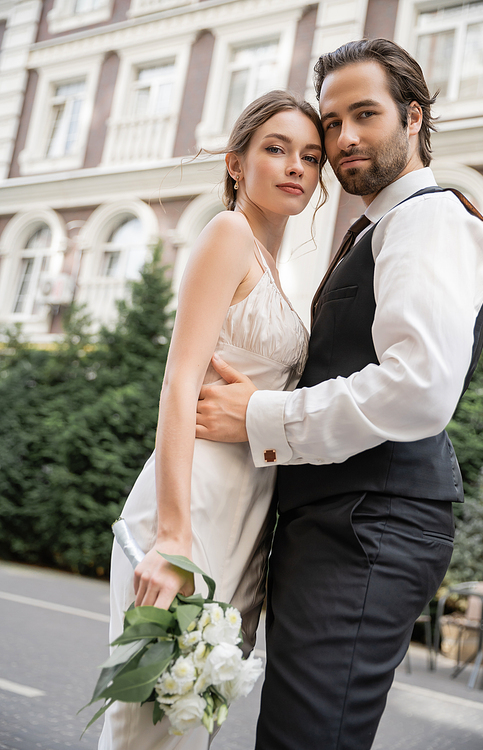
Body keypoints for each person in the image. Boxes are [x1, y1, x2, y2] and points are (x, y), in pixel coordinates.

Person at [195, 39, 483, 750]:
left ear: (414, 117)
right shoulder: (381, 225)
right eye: (331, 122)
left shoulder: (429, 220)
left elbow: (418, 388)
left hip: (370, 524)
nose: (344, 138)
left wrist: (258, 415)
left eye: (365, 114)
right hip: (345, 518)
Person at [98, 90, 327, 750]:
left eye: (310, 157)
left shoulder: (278, 270)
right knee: (145, 725)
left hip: (245, 519)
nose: (296, 168)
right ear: (235, 163)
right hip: (189, 509)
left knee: (191, 720)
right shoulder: (229, 234)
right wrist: (172, 535)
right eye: (276, 149)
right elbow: (179, 382)